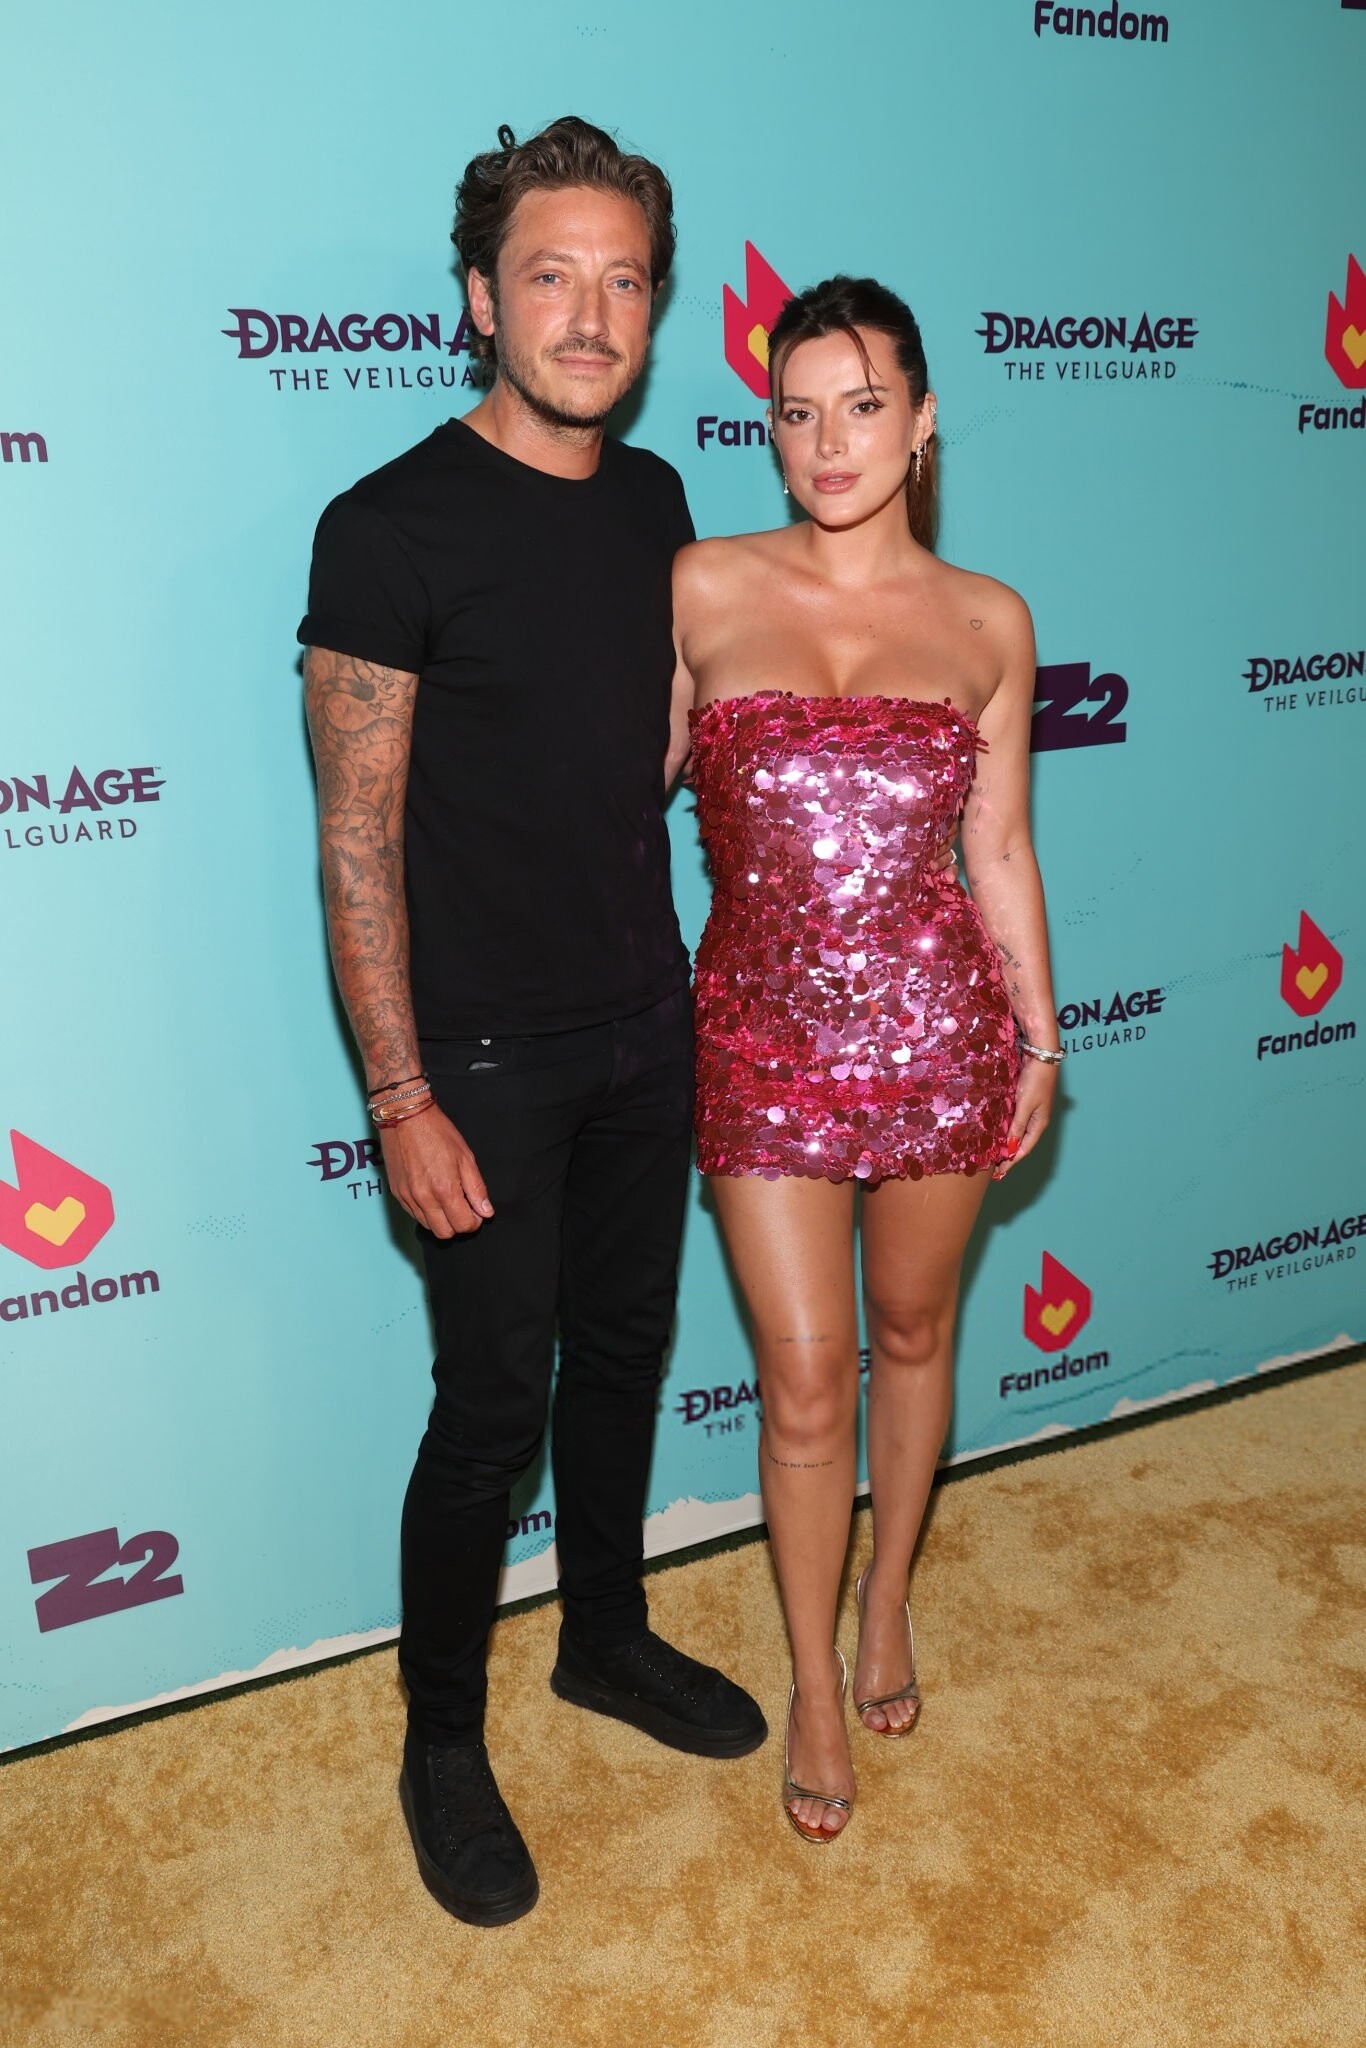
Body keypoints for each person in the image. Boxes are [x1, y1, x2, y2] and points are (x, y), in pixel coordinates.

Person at [298, 116, 765, 1929]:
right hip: (481, 1061)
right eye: (549, 276)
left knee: (626, 1353)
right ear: (483, 300)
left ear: (653, 306)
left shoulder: (654, 502)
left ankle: (604, 1636)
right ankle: (439, 1740)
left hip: (648, 1017)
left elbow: (636, 747)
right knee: (491, 1407)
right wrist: (400, 1093)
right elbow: (355, 841)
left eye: (623, 281)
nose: (589, 315)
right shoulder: (387, 527)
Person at [670, 276, 1061, 1844]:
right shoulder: (698, 585)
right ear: (767, 430)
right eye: (795, 411)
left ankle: (886, 1594)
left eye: (861, 406)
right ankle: (813, 1684)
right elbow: (610, 786)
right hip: (753, 1036)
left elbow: (1000, 847)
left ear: (921, 420)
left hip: (936, 1034)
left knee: (910, 1329)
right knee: (801, 1371)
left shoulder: (987, 619)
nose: (827, 443)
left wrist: (1038, 1032)